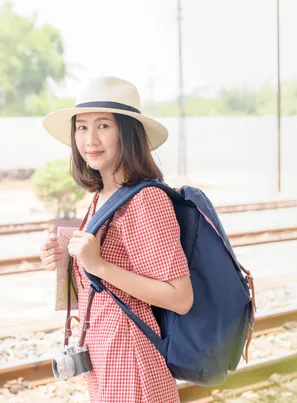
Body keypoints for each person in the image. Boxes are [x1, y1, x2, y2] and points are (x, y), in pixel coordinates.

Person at [39, 76, 194, 403]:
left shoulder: (146, 200)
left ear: (128, 131)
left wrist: (98, 264)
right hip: (104, 359)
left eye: (103, 126)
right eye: (81, 127)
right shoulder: (103, 195)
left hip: (132, 363)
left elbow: (180, 297)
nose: (89, 139)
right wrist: (67, 259)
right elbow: (107, 277)